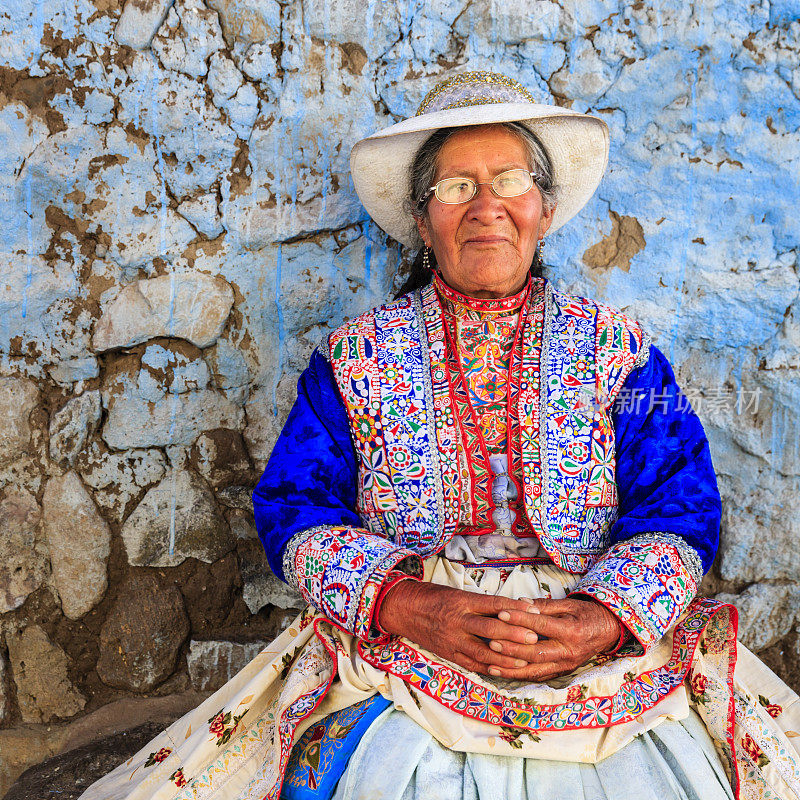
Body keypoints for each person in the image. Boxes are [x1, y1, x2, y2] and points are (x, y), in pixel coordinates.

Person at [78, 71, 800, 800]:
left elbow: (681, 505)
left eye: (509, 181)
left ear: (543, 210)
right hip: (409, 629)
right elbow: (294, 508)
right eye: (456, 188)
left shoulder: (622, 353)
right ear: (423, 222)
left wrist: (603, 621)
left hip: (587, 621)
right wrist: (406, 605)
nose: (486, 207)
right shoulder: (356, 359)